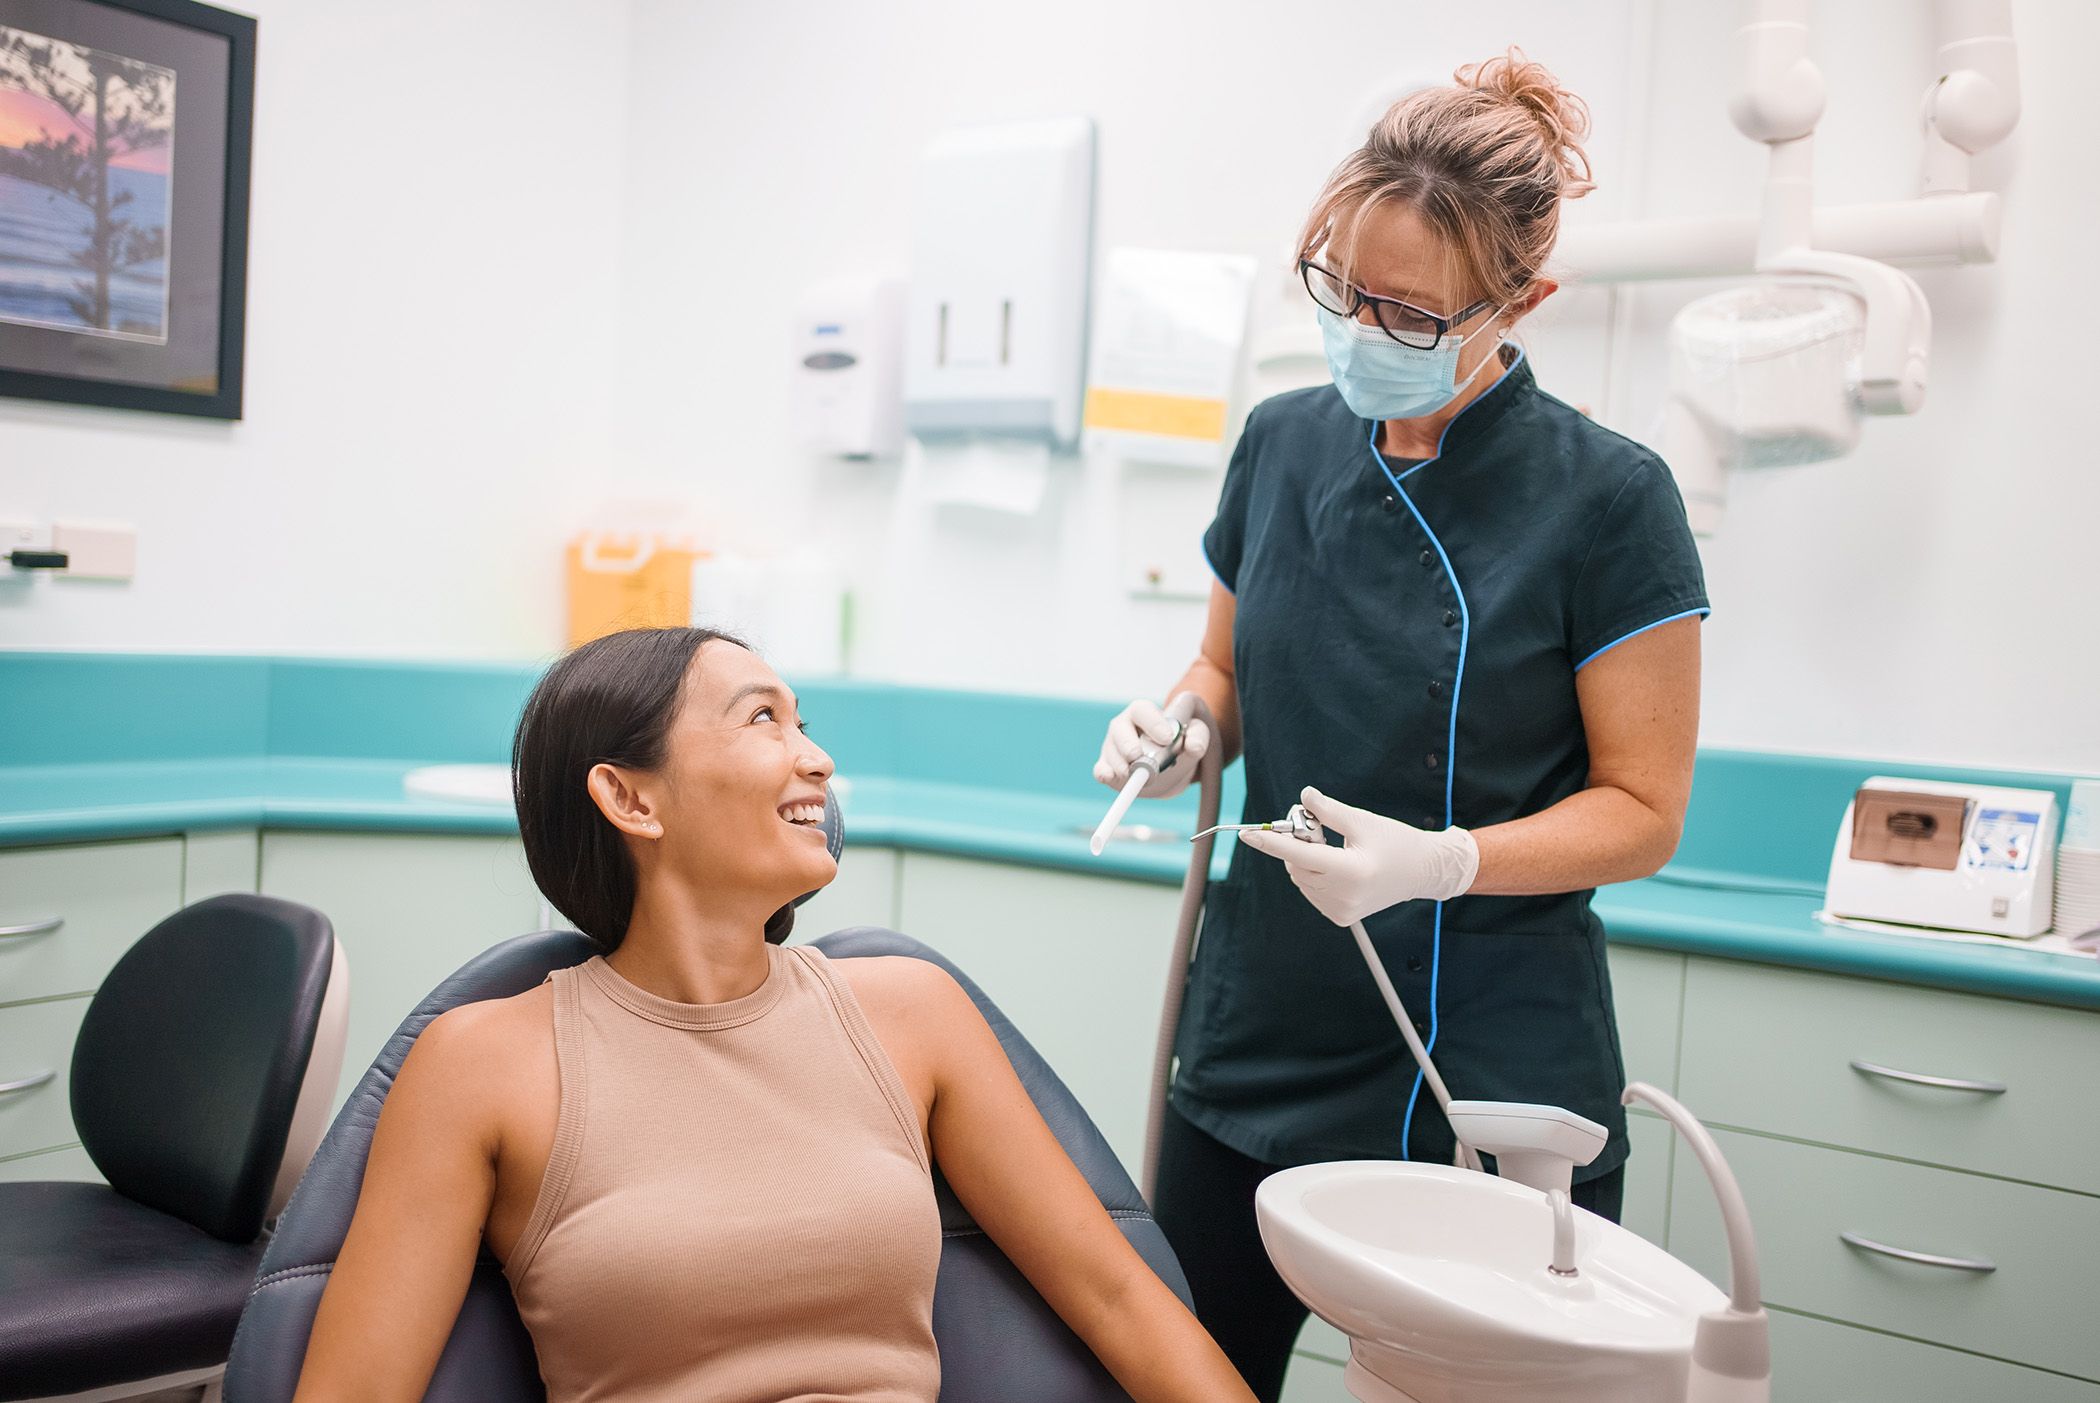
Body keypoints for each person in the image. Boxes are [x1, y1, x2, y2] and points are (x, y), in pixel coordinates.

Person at [1094, 49, 1709, 1402]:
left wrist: (1443, 859)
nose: (1364, 327)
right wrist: (1181, 726)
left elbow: (1644, 807)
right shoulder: (1281, 443)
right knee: (1178, 1371)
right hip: (1265, 1024)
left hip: (1489, 1057)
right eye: (1343, 290)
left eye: (1412, 314)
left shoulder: (1610, 501)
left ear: (1523, 302)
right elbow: (1225, 668)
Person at [296, 627, 1258, 1403]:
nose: (818, 758)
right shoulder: (482, 1067)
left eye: (805, 721)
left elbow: (1122, 1299)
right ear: (629, 795)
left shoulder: (909, 1013)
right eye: (765, 719)